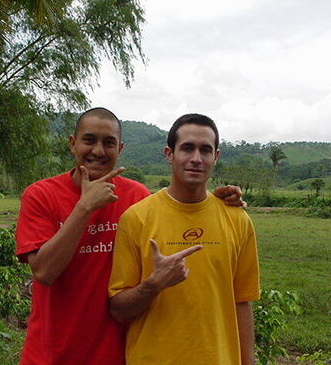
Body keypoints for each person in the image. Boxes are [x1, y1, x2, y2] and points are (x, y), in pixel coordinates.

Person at [15, 108, 246, 365]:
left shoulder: (136, 197)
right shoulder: (41, 195)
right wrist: (84, 207)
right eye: (89, 140)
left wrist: (215, 202)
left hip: (115, 352)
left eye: (109, 143)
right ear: (72, 143)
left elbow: (174, 210)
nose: (99, 151)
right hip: (51, 353)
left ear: (120, 148)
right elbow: (44, 272)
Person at [109, 113, 260, 365]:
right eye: (187, 148)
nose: (196, 159)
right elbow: (118, 309)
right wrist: (153, 284)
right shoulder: (137, 218)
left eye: (206, 150)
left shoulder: (238, 220)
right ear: (169, 154)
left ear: (216, 157)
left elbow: (242, 301)